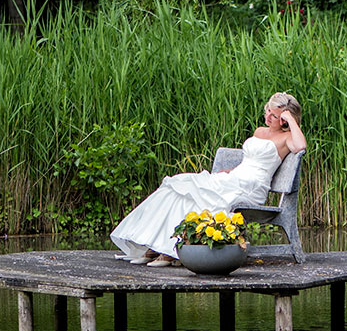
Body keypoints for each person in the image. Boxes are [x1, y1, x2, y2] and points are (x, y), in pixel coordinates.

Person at [111, 92, 307, 267]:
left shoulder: (287, 137)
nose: (268, 117)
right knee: (178, 186)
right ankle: (158, 246)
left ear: (284, 119)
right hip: (236, 177)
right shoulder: (259, 131)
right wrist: (230, 172)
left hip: (251, 187)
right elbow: (249, 161)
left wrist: (291, 120)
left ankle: (171, 251)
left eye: (274, 115)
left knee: (197, 193)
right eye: (268, 111)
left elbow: (301, 146)